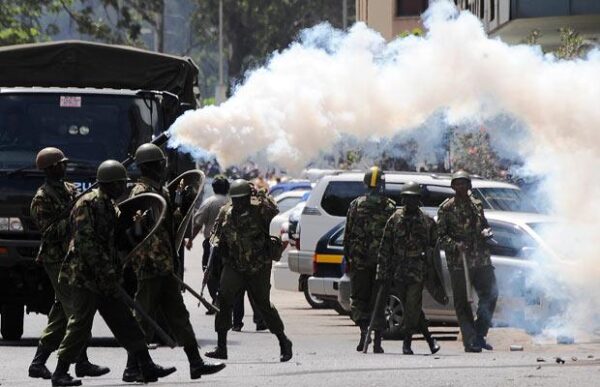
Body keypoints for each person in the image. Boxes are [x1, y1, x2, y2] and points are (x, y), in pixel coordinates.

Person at [52, 160, 175, 386]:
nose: (123, 188)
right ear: (110, 183)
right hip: (84, 276)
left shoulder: (109, 204)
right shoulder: (87, 204)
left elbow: (112, 240)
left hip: (104, 277)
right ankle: (60, 372)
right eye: (120, 184)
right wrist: (106, 272)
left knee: (124, 320)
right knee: (80, 324)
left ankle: (145, 366)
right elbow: (86, 244)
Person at [127, 143, 225, 381]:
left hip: (166, 264)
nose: (164, 166)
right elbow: (139, 232)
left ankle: (195, 362)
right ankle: (133, 367)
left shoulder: (162, 190)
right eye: (160, 163)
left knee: (179, 315)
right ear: (150, 166)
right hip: (151, 265)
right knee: (144, 318)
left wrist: (183, 201)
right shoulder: (141, 193)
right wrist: (154, 260)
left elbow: (173, 224)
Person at [28, 148, 109, 380]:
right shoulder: (42, 198)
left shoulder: (71, 189)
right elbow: (49, 231)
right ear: (51, 168)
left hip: (72, 256)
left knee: (62, 315)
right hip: (55, 259)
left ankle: (38, 363)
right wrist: (73, 219)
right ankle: (80, 362)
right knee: (77, 311)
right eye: (61, 164)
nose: (65, 166)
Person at [205, 179, 292, 362]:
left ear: (248, 197)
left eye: (241, 199)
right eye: (235, 199)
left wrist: (259, 193)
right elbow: (216, 236)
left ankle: (284, 342)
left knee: (263, 305)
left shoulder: (261, 210)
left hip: (258, 266)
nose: (238, 203)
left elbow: (274, 210)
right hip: (234, 266)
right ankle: (221, 346)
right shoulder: (225, 212)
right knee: (224, 300)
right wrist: (215, 261)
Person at [437, 170, 498, 353]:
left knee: (491, 295)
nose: (461, 187)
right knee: (463, 303)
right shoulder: (446, 208)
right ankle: (469, 340)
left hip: (480, 259)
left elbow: (484, 225)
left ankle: (480, 334)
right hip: (459, 262)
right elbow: (440, 237)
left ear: (469, 185)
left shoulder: (476, 205)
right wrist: (455, 245)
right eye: (457, 183)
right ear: (453, 186)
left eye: (464, 183)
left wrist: (487, 232)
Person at [377, 182, 441, 355]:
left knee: (412, 304)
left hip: (417, 270)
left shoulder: (427, 221)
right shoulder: (395, 219)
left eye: (413, 198)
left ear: (418, 200)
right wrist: (381, 271)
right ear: (403, 199)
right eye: (407, 198)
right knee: (411, 307)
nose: (410, 202)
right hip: (398, 270)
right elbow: (385, 247)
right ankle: (430, 339)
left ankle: (407, 342)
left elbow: (434, 246)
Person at [344, 166, 396, 353]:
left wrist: (348, 258)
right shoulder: (389, 206)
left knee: (359, 300)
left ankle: (364, 334)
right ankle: (377, 343)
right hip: (381, 263)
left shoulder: (356, 205)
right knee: (379, 301)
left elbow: (347, 234)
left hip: (360, 262)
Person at [187, 175, 231, 311]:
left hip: (211, 243)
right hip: (229, 244)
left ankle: (216, 300)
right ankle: (223, 301)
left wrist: (190, 240)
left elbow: (198, 224)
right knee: (226, 272)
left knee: (209, 271)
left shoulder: (209, 202)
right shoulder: (231, 202)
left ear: (213, 188)